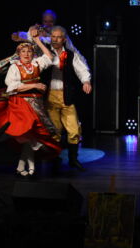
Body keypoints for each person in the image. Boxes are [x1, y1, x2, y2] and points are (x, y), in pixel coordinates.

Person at [0, 36, 61, 178]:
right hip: (21, 104)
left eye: (29, 51)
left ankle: (21, 166)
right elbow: (12, 86)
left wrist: (37, 41)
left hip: (36, 104)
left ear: (33, 53)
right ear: (18, 54)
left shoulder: (36, 63)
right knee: (29, 136)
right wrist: (34, 85)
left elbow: (49, 57)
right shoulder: (15, 67)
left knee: (32, 137)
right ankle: (31, 167)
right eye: (23, 51)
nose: (26, 54)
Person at [30, 25, 92, 172]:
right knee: (55, 130)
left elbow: (81, 68)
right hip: (50, 96)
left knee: (74, 129)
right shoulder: (45, 53)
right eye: (53, 36)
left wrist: (86, 81)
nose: (55, 39)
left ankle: (73, 159)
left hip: (66, 96)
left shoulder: (70, 54)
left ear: (64, 39)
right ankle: (55, 159)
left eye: (59, 37)